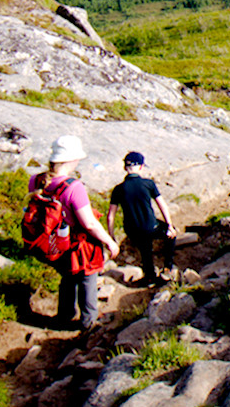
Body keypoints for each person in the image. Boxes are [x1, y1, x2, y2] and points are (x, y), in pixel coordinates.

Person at [30, 135, 118, 331]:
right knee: (88, 277)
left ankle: (65, 315)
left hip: (50, 242)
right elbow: (89, 223)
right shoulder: (73, 187)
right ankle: (89, 322)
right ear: (71, 159)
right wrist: (110, 243)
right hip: (76, 242)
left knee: (67, 276)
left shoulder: (36, 180)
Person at [107, 151, 178, 283]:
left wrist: (111, 237)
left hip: (132, 230)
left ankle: (149, 275)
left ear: (125, 168)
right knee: (171, 235)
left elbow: (111, 216)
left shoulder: (118, 189)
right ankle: (167, 268)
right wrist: (169, 225)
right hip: (150, 226)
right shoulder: (148, 184)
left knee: (144, 247)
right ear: (141, 166)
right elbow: (162, 205)